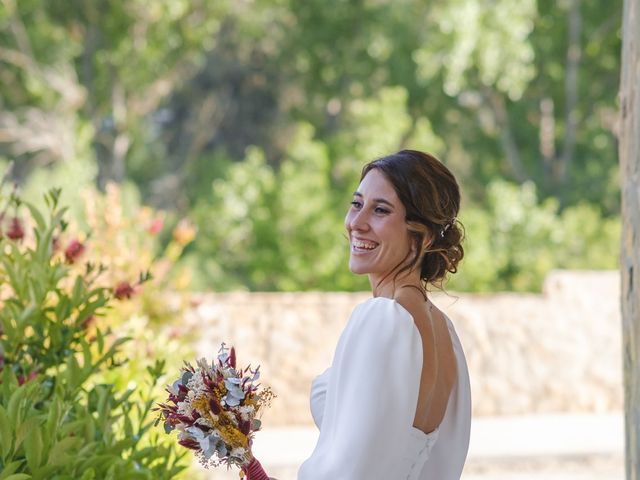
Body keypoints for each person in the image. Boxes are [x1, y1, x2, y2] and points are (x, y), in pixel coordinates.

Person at [243, 150, 472, 480]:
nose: (356, 223)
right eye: (356, 204)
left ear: (421, 234)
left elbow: (351, 471)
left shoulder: (384, 319)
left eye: (380, 210)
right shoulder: (443, 332)